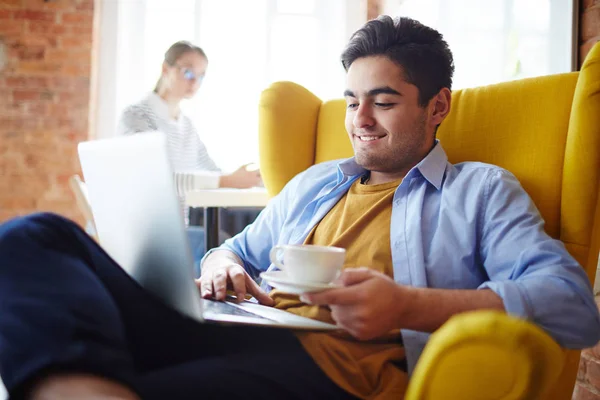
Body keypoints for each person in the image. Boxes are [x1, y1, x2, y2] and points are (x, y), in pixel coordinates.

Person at [1, 16, 599, 400]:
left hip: (335, 371)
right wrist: (218, 268)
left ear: (437, 105)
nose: (359, 122)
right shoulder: (317, 183)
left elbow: (572, 306)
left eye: (383, 102)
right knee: (34, 236)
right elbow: (233, 248)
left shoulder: (481, 191)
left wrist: (408, 306)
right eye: (351, 102)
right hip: (232, 330)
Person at [117, 40, 262, 273]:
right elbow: (154, 178)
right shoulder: (136, 116)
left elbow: (210, 170)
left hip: (175, 230)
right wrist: (225, 181)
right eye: (188, 71)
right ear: (166, 69)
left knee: (232, 247)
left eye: (201, 75)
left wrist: (252, 178)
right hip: (144, 233)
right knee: (222, 250)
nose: (194, 81)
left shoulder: (186, 125)